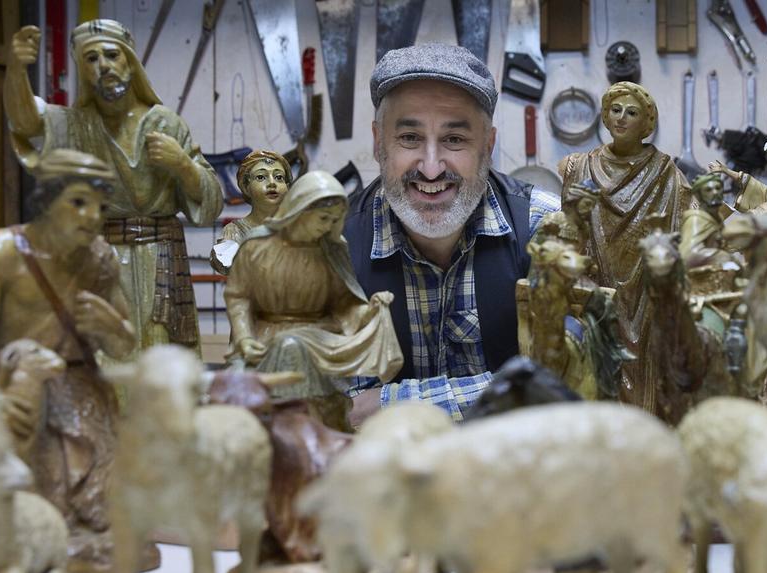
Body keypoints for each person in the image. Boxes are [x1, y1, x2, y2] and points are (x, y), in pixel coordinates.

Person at [344, 44, 559, 423]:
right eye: (409, 138)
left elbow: (567, 379)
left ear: (487, 146)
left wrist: (389, 403)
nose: (430, 168)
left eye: (454, 140)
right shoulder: (331, 247)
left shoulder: (547, 229)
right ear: (379, 143)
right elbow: (324, 403)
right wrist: (503, 391)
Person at [0, 149, 136, 573]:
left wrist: (112, 328)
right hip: (15, 380)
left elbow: (124, 345)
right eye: (79, 202)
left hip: (82, 386)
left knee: (110, 502)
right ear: (46, 199)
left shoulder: (100, 260)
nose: (92, 217)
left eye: (101, 208)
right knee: (25, 485)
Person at [5, 19, 223, 353]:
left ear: (130, 63)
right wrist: (17, 70)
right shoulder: (76, 125)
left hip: (159, 260)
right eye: (91, 59)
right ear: (83, 71)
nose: (103, 66)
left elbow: (210, 203)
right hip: (100, 256)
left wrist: (182, 164)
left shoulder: (164, 122)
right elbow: (26, 122)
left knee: (160, 357)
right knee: (104, 353)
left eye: (111, 55)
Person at [557, 82, 698, 414]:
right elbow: (568, 230)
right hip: (596, 285)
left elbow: (692, 219)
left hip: (647, 288)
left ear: (647, 124)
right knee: (597, 362)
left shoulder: (666, 173)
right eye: (615, 110)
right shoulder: (577, 167)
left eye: (632, 112)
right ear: (605, 116)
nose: (621, 118)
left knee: (649, 362)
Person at [226, 171, 402, 431]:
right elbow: (238, 296)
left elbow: (344, 304)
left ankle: (318, 435)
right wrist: (243, 337)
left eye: (333, 220)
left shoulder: (331, 249)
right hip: (266, 336)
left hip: (322, 336)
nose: (326, 227)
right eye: (322, 219)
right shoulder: (257, 246)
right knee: (288, 351)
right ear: (300, 209)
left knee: (303, 359)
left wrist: (371, 310)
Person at [211, 150, 291, 275]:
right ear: (246, 187)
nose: (272, 183)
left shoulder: (298, 227)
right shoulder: (234, 231)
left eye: (279, 177)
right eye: (261, 177)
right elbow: (224, 263)